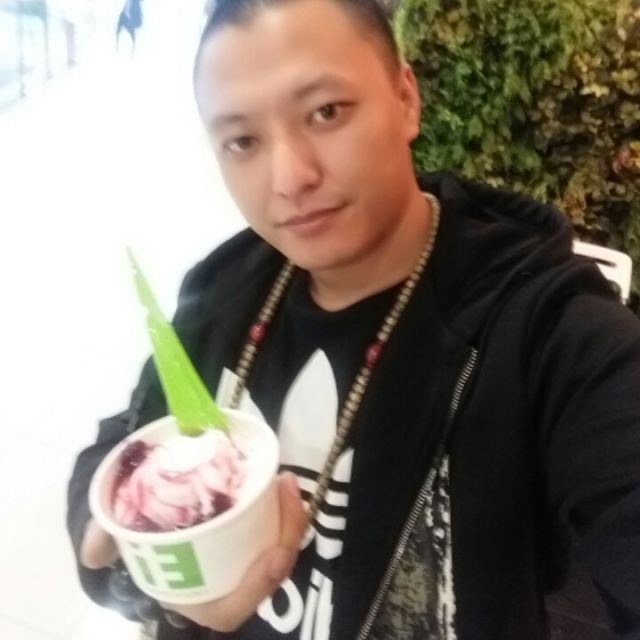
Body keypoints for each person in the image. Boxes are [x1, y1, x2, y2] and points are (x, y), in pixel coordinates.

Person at [67, 0, 640, 638]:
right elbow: (129, 439)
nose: (290, 178)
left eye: (326, 112)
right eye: (243, 141)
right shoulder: (224, 288)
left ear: (406, 99)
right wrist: (138, 575)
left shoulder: (545, 331)